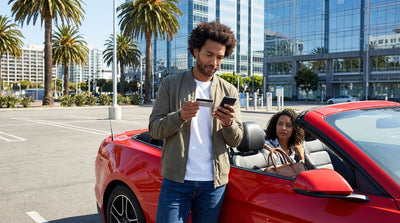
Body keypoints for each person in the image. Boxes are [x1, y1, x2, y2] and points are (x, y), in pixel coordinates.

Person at [149, 21, 244, 223]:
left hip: (213, 185)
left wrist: (228, 124)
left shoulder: (229, 91)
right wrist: (180, 116)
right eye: (209, 55)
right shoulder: (170, 84)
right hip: (176, 182)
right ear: (195, 51)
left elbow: (236, 140)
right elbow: (155, 129)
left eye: (220, 57)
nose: (214, 63)